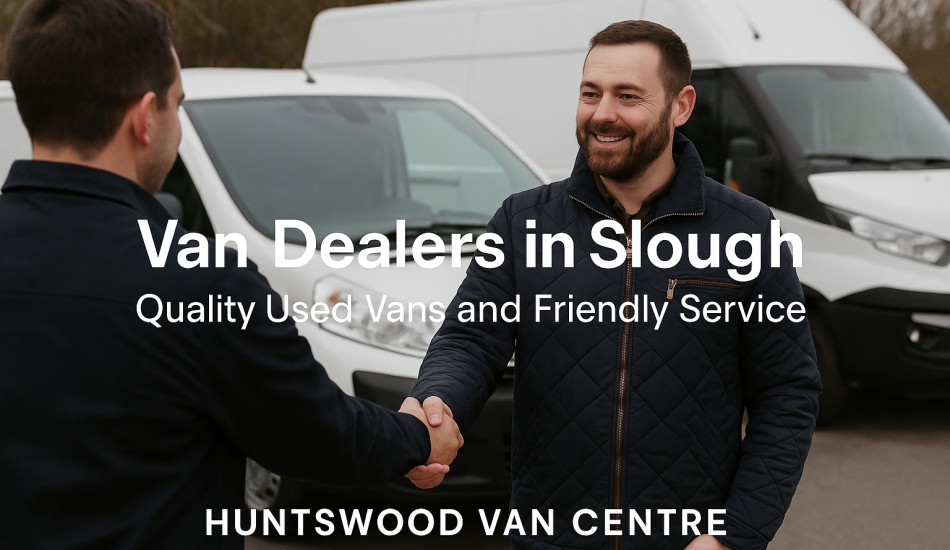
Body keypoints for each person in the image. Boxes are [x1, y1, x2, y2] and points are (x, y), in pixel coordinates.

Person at [0, 1, 461, 549]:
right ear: (145, 118)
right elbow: (315, 431)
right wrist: (417, 439)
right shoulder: (200, 277)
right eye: (176, 105)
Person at [402, 20, 821, 550]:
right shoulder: (522, 221)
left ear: (681, 105)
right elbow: (470, 340)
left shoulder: (747, 231)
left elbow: (787, 392)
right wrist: (435, 405)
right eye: (590, 94)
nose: (603, 113)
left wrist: (734, 535)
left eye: (628, 96)